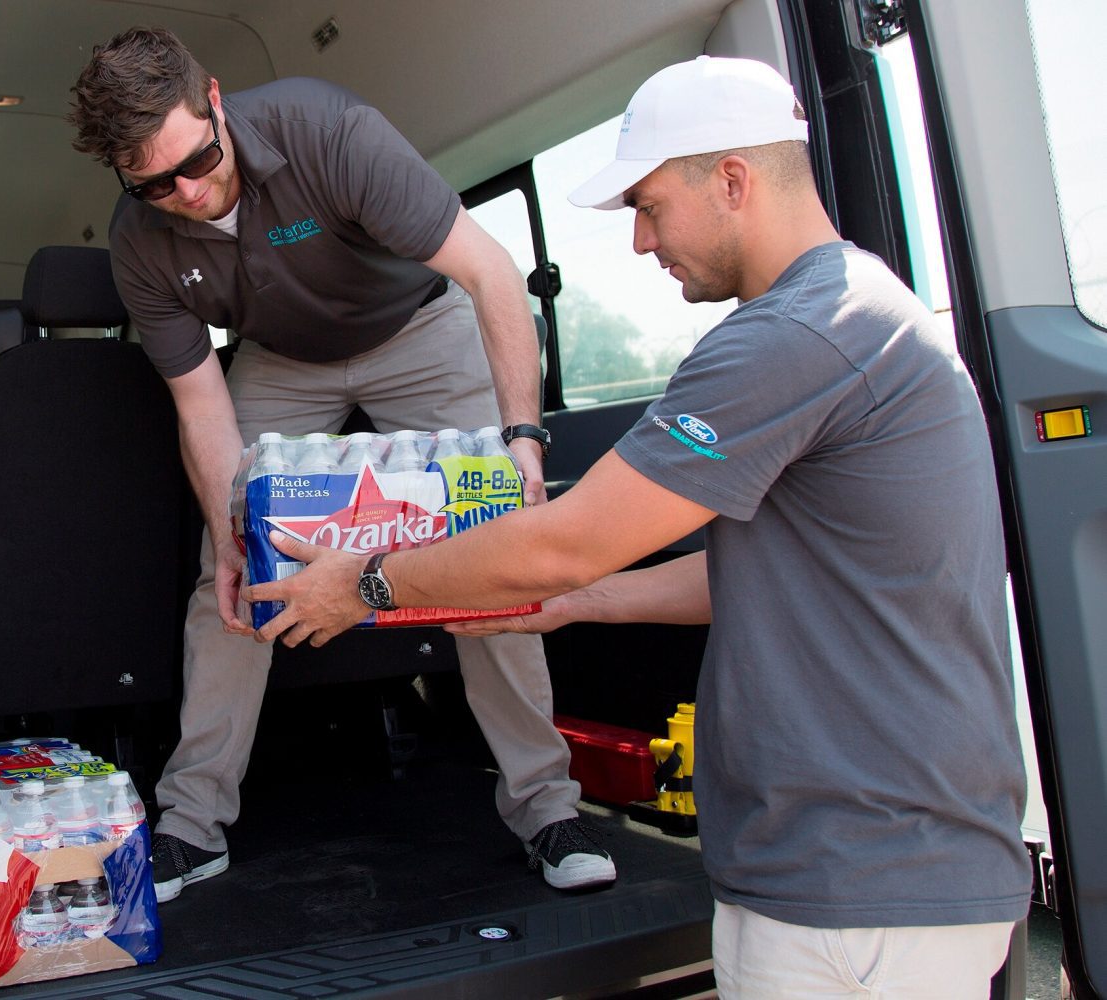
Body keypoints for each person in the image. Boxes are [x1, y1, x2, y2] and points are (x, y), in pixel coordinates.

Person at [248, 55, 1033, 997]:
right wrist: (581, 602)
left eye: (649, 206)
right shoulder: (862, 310)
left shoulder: (794, 336)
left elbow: (564, 538)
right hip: (880, 870)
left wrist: (365, 582)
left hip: (858, 888)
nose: (639, 240)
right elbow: (768, 570)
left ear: (733, 180)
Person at [66, 27, 616, 903]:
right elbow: (202, 406)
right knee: (231, 571)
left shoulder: (330, 132)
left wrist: (523, 437)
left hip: (419, 328)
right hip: (282, 358)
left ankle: (548, 808)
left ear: (216, 102)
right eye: (155, 184)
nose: (188, 193)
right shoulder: (140, 239)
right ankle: (191, 823)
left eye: (198, 161)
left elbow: (491, 273)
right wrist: (230, 533)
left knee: (497, 545)